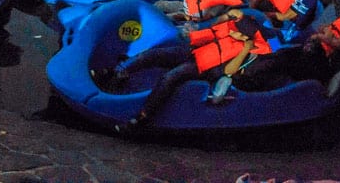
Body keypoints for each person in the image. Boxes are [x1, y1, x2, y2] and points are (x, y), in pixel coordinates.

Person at [93, 15, 273, 127]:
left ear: (244, 37)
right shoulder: (229, 32)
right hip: (192, 53)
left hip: (202, 68)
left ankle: (143, 117)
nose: (231, 30)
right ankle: (116, 71)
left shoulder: (246, 50)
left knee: (170, 78)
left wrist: (244, 49)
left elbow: (229, 70)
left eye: (236, 31)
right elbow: (209, 32)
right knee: (152, 55)